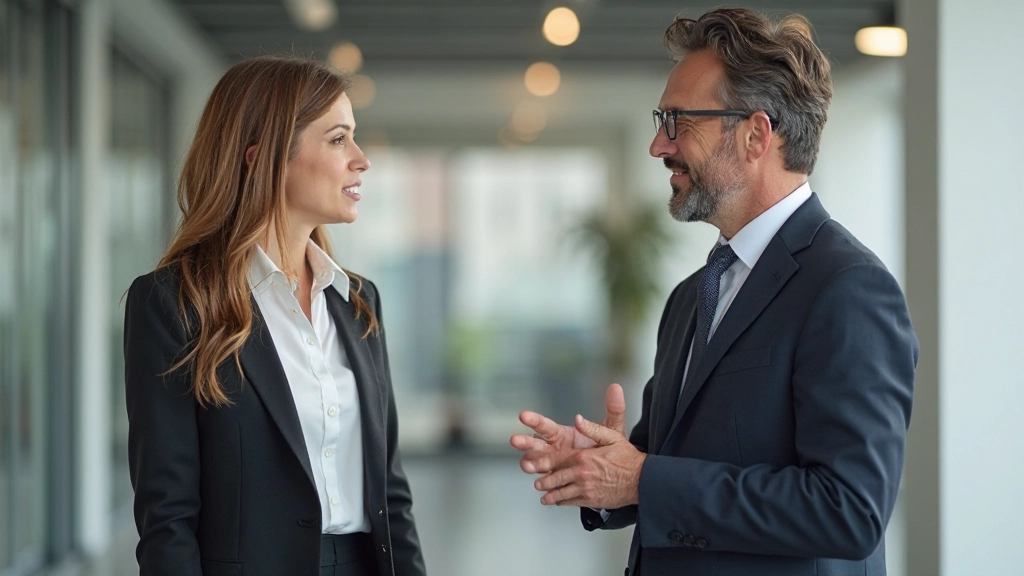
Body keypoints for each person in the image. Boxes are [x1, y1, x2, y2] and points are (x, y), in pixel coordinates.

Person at [510, 8, 917, 576]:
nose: (659, 145)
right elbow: (664, 468)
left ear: (755, 135)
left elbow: (848, 511)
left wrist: (643, 478)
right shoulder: (691, 297)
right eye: (660, 120)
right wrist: (606, 471)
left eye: (678, 121)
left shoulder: (848, 289)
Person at [124, 55, 426, 576]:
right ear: (262, 158)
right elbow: (167, 519)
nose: (362, 159)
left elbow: (391, 492)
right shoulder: (173, 303)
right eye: (338, 139)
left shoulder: (358, 302)